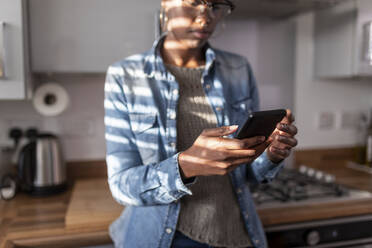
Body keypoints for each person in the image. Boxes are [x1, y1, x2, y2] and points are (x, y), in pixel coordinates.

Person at [104, 0, 298, 247]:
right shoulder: (125, 76)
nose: (205, 16)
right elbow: (121, 185)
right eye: (194, 2)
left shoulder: (238, 69)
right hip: (167, 238)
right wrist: (187, 165)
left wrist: (271, 154)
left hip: (238, 234)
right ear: (165, 4)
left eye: (216, 6)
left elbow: (249, 173)